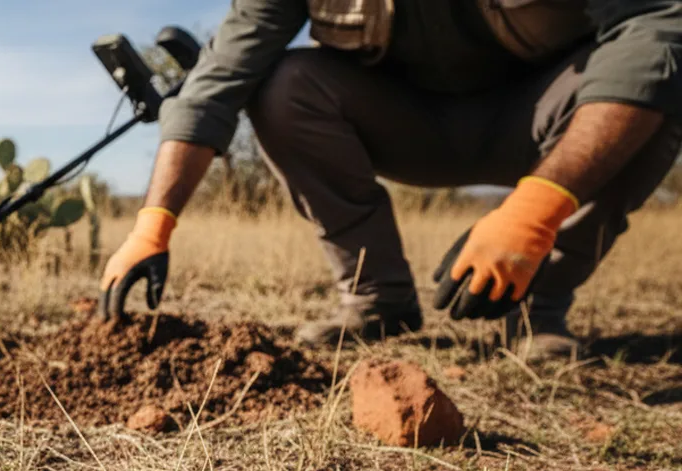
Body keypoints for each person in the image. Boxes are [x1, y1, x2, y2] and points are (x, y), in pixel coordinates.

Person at [99, 0, 682, 360]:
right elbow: (217, 81)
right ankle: (377, 299)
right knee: (283, 85)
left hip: (550, 120)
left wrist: (538, 207)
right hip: (405, 124)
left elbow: (656, 30)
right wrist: (153, 223)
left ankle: (536, 308)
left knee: (656, 78)